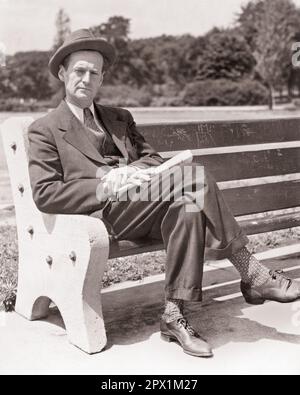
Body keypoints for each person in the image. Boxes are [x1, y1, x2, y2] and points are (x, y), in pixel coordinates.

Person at [28, 29, 300, 358]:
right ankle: (252, 272)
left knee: (188, 205)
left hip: (145, 202)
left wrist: (135, 172)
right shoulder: (44, 129)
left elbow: (152, 158)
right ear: (62, 73)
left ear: (102, 78)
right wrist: (106, 182)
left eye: (94, 73)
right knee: (196, 178)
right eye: (78, 71)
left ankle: (173, 316)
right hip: (104, 216)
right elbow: (46, 193)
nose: (86, 79)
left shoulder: (119, 118)